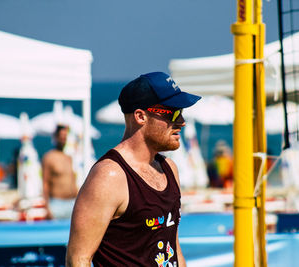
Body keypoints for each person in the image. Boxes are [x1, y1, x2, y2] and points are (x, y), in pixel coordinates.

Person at [66, 72, 201, 267]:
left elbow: (172, 244)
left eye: (181, 112)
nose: (181, 122)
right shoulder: (109, 176)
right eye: (173, 113)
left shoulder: (170, 169)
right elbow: (78, 259)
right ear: (140, 116)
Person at [42, 124, 78, 219]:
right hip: (57, 204)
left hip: (72, 202)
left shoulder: (69, 157)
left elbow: (73, 181)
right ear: (55, 137)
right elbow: (45, 183)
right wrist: (47, 207)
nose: (63, 139)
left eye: (65, 137)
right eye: (61, 137)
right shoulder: (49, 157)